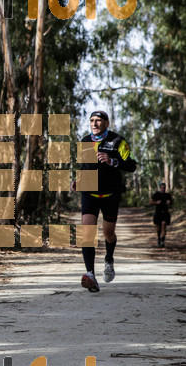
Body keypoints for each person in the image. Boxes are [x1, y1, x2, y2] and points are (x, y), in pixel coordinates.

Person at [72, 110, 137, 293]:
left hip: (110, 195)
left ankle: (109, 258)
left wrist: (112, 161)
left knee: (108, 234)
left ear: (106, 124)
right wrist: (78, 180)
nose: (94, 123)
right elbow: (85, 166)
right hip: (89, 194)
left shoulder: (118, 141)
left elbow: (131, 165)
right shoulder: (85, 141)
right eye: (92, 120)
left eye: (99, 121)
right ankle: (90, 274)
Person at [151, 181, 173, 248]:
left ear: (165, 188)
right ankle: (158, 239)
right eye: (161, 187)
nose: (162, 189)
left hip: (165, 213)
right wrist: (156, 202)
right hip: (158, 213)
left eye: (164, 187)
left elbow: (172, 202)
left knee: (163, 224)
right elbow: (151, 202)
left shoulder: (168, 195)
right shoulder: (156, 194)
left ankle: (162, 241)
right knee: (158, 228)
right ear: (160, 188)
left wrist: (170, 202)